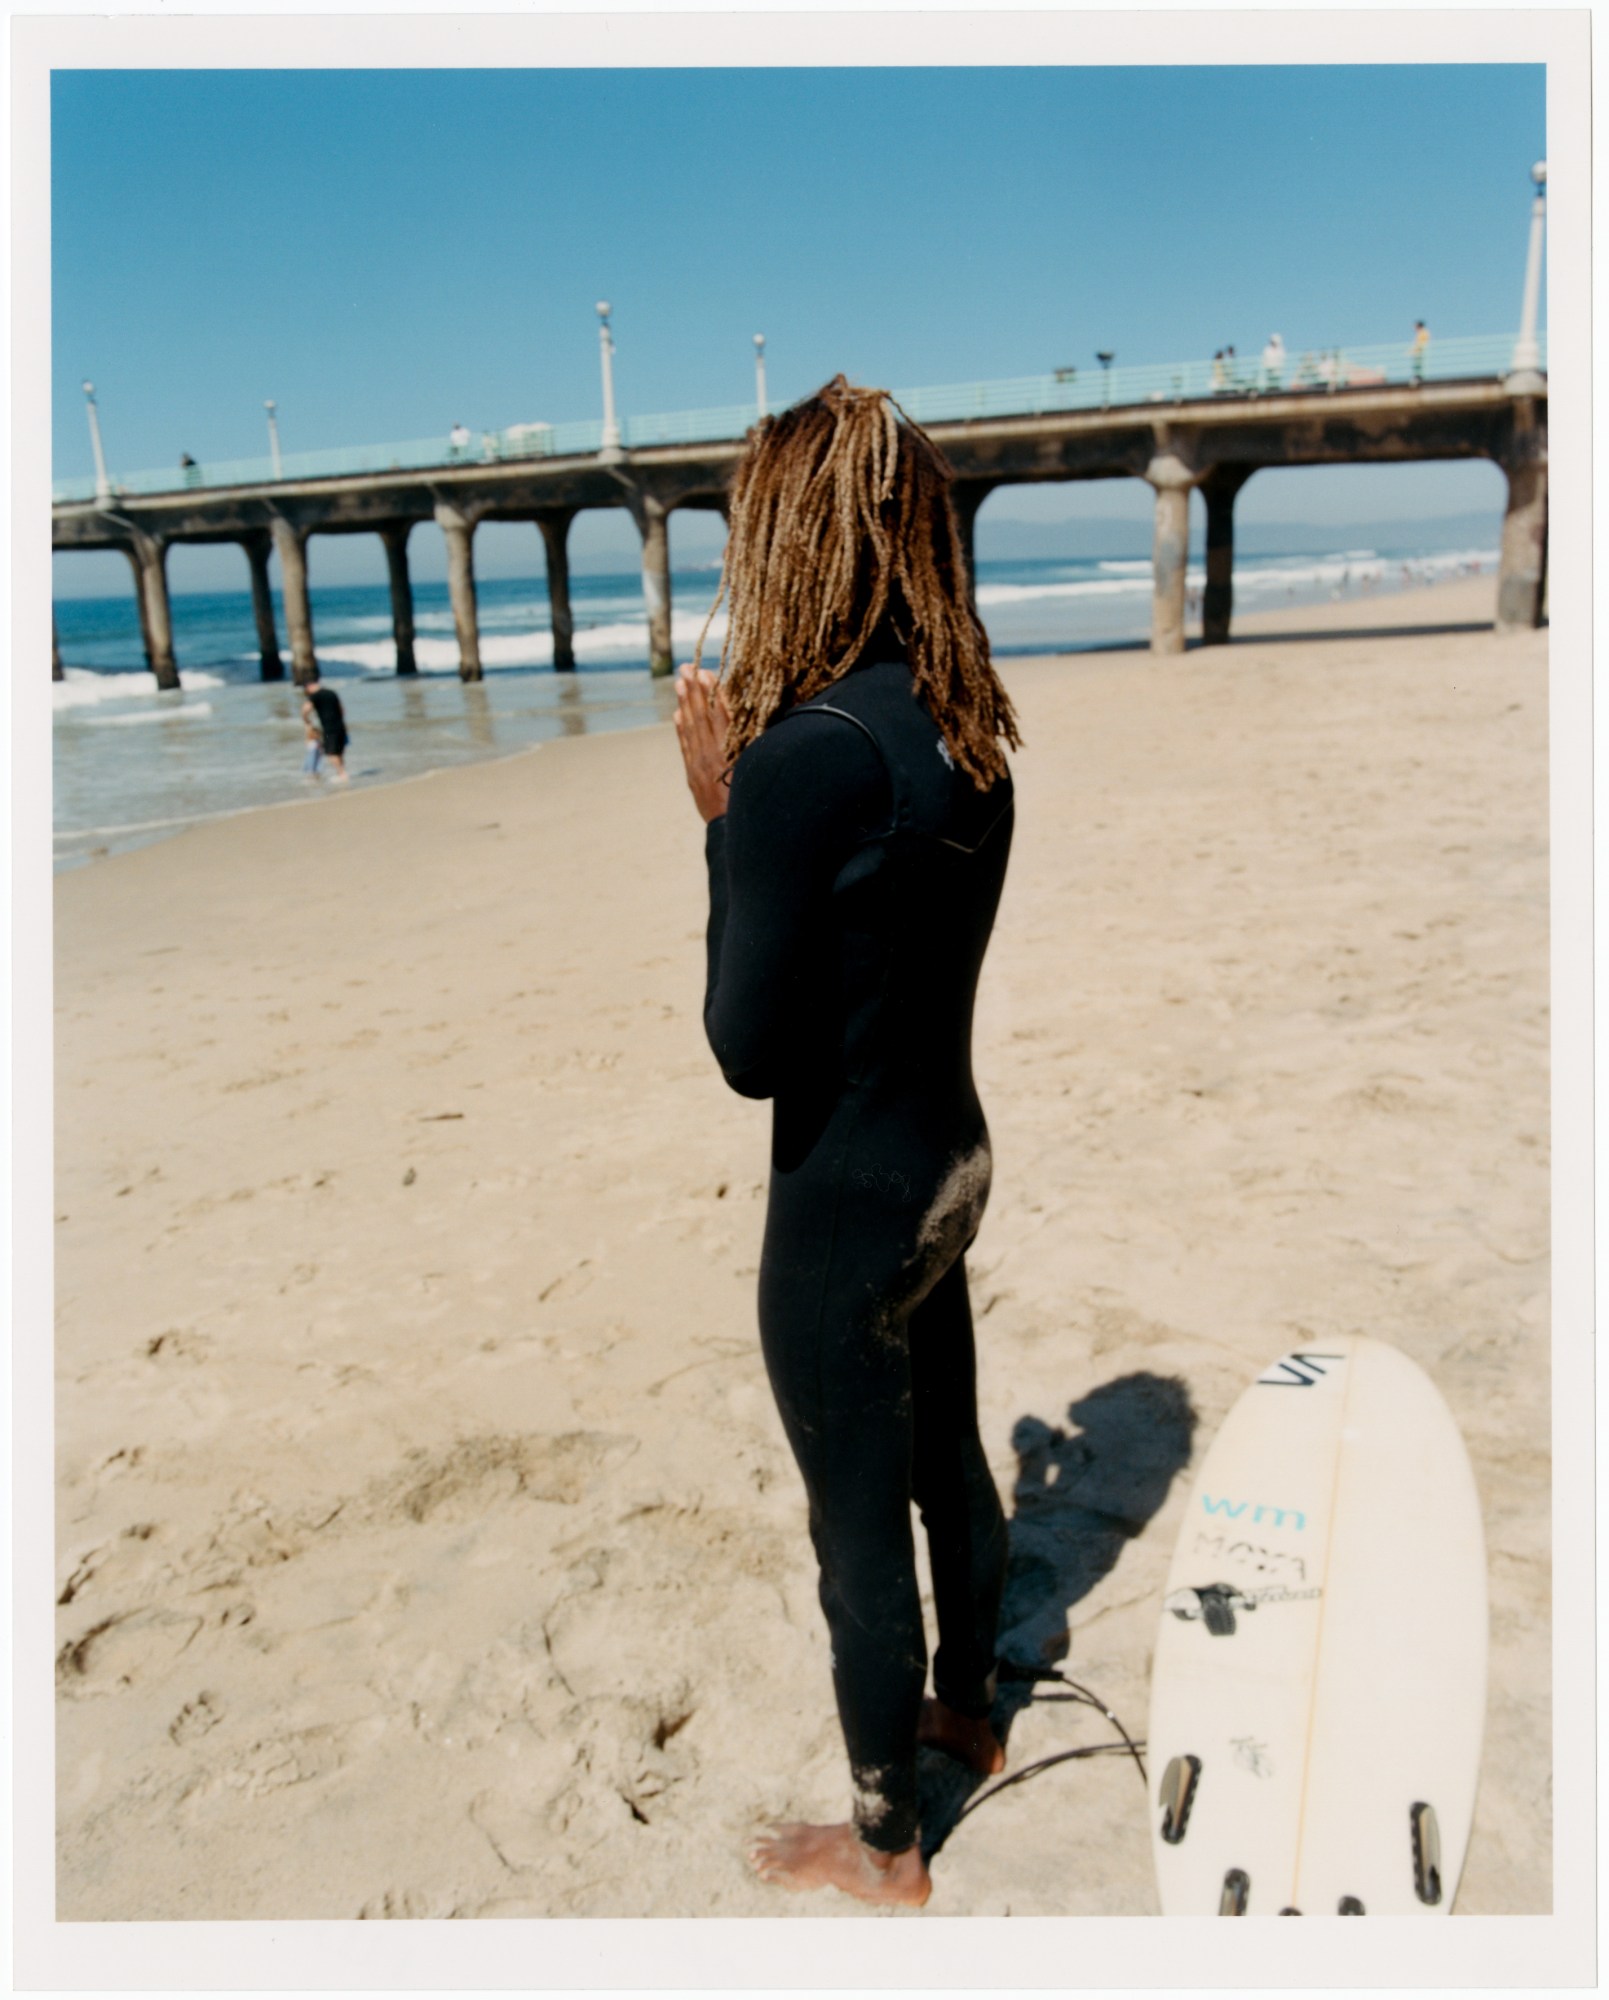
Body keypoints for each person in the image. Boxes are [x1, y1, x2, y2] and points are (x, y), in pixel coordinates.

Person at [674, 375, 1023, 1909]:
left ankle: (887, 1845)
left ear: (795, 538)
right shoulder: (967, 720)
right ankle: (968, 1712)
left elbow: (749, 1053)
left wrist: (715, 816)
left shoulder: (803, 757)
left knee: (853, 1522)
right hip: (950, 1162)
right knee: (948, 1450)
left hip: (843, 1200)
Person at [301, 669, 349, 781]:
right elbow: (342, 710)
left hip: (328, 728)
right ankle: (341, 772)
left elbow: (305, 709)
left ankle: (342, 774)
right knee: (339, 751)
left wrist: (306, 720)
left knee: (331, 753)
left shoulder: (315, 696)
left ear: (309, 687)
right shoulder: (332, 693)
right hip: (340, 726)